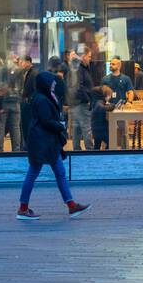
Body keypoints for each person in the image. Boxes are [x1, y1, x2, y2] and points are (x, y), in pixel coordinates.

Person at [17, 69, 89, 220]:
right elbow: (46, 121)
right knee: (40, 173)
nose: (53, 85)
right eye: (51, 83)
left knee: (54, 172)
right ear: (45, 84)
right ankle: (23, 209)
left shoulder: (41, 97)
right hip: (44, 142)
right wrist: (60, 125)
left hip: (44, 142)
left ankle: (70, 205)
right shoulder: (42, 99)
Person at [65, 49, 96, 150]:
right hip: (81, 103)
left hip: (75, 103)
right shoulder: (79, 68)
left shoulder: (77, 68)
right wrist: (87, 99)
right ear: (83, 56)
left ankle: (76, 151)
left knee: (76, 129)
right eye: (89, 56)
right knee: (86, 129)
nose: (90, 59)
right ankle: (90, 152)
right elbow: (79, 87)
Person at [91, 84, 113, 151]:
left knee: (97, 146)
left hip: (96, 128)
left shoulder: (97, 101)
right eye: (109, 95)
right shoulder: (99, 102)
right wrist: (112, 106)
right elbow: (101, 108)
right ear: (106, 95)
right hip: (101, 129)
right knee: (110, 142)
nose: (110, 97)